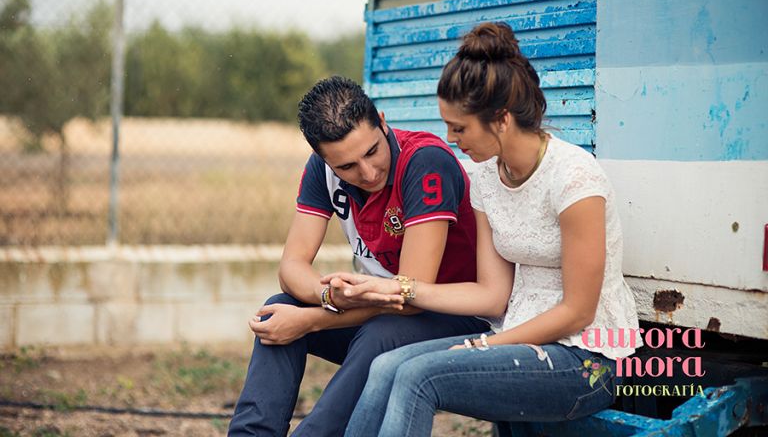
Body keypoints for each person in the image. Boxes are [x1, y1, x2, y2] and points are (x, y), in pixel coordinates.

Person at [323, 22, 641, 437]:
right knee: (386, 365)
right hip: (513, 336)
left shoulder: (575, 179)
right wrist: (395, 290)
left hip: (584, 358)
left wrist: (486, 345)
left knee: (419, 378)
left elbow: (577, 312)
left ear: (502, 119)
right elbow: (492, 295)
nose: (451, 139)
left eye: (460, 128)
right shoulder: (485, 177)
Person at [228, 76, 489, 437]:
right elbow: (291, 267)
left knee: (380, 332)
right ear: (324, 159)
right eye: (347, 167)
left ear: (382, 122)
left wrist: (313, 320)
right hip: (385, 311)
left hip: (457, 315)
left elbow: (410, 297)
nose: (367, 173)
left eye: (371, 152)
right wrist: (328, 297)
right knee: (278, 306)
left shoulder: (425, 162)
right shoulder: (322, 169)